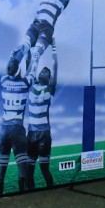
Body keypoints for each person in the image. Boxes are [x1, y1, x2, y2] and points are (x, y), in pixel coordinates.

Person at [8, 0, 76, 77]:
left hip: (47, 29)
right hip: (35, 25)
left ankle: (31, 75)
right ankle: (12, 70)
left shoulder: (63, 0)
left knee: (36, 53)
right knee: (24, 47)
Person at [0, 53, 34, 196]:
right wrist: (31, 55)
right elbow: (30, 70)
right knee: (22, 167)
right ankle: (22, 196)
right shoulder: (25, 83)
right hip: (17, 128)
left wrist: (12, 56)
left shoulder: (4, 80)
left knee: (2, 169)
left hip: (4, 129)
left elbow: (13, 70)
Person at [25, 43, 58, 189]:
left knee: (40, 168)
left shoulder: (42, 88)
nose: (45, 71)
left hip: (39, 133)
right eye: (44, 70)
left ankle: (49, 190)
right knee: (32, 169)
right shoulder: (42, 88)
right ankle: (32, 192)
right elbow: (53, 66)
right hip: (38, 133)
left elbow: (35, 66)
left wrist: (38, 53)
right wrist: (52, 48)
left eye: (46, 72)